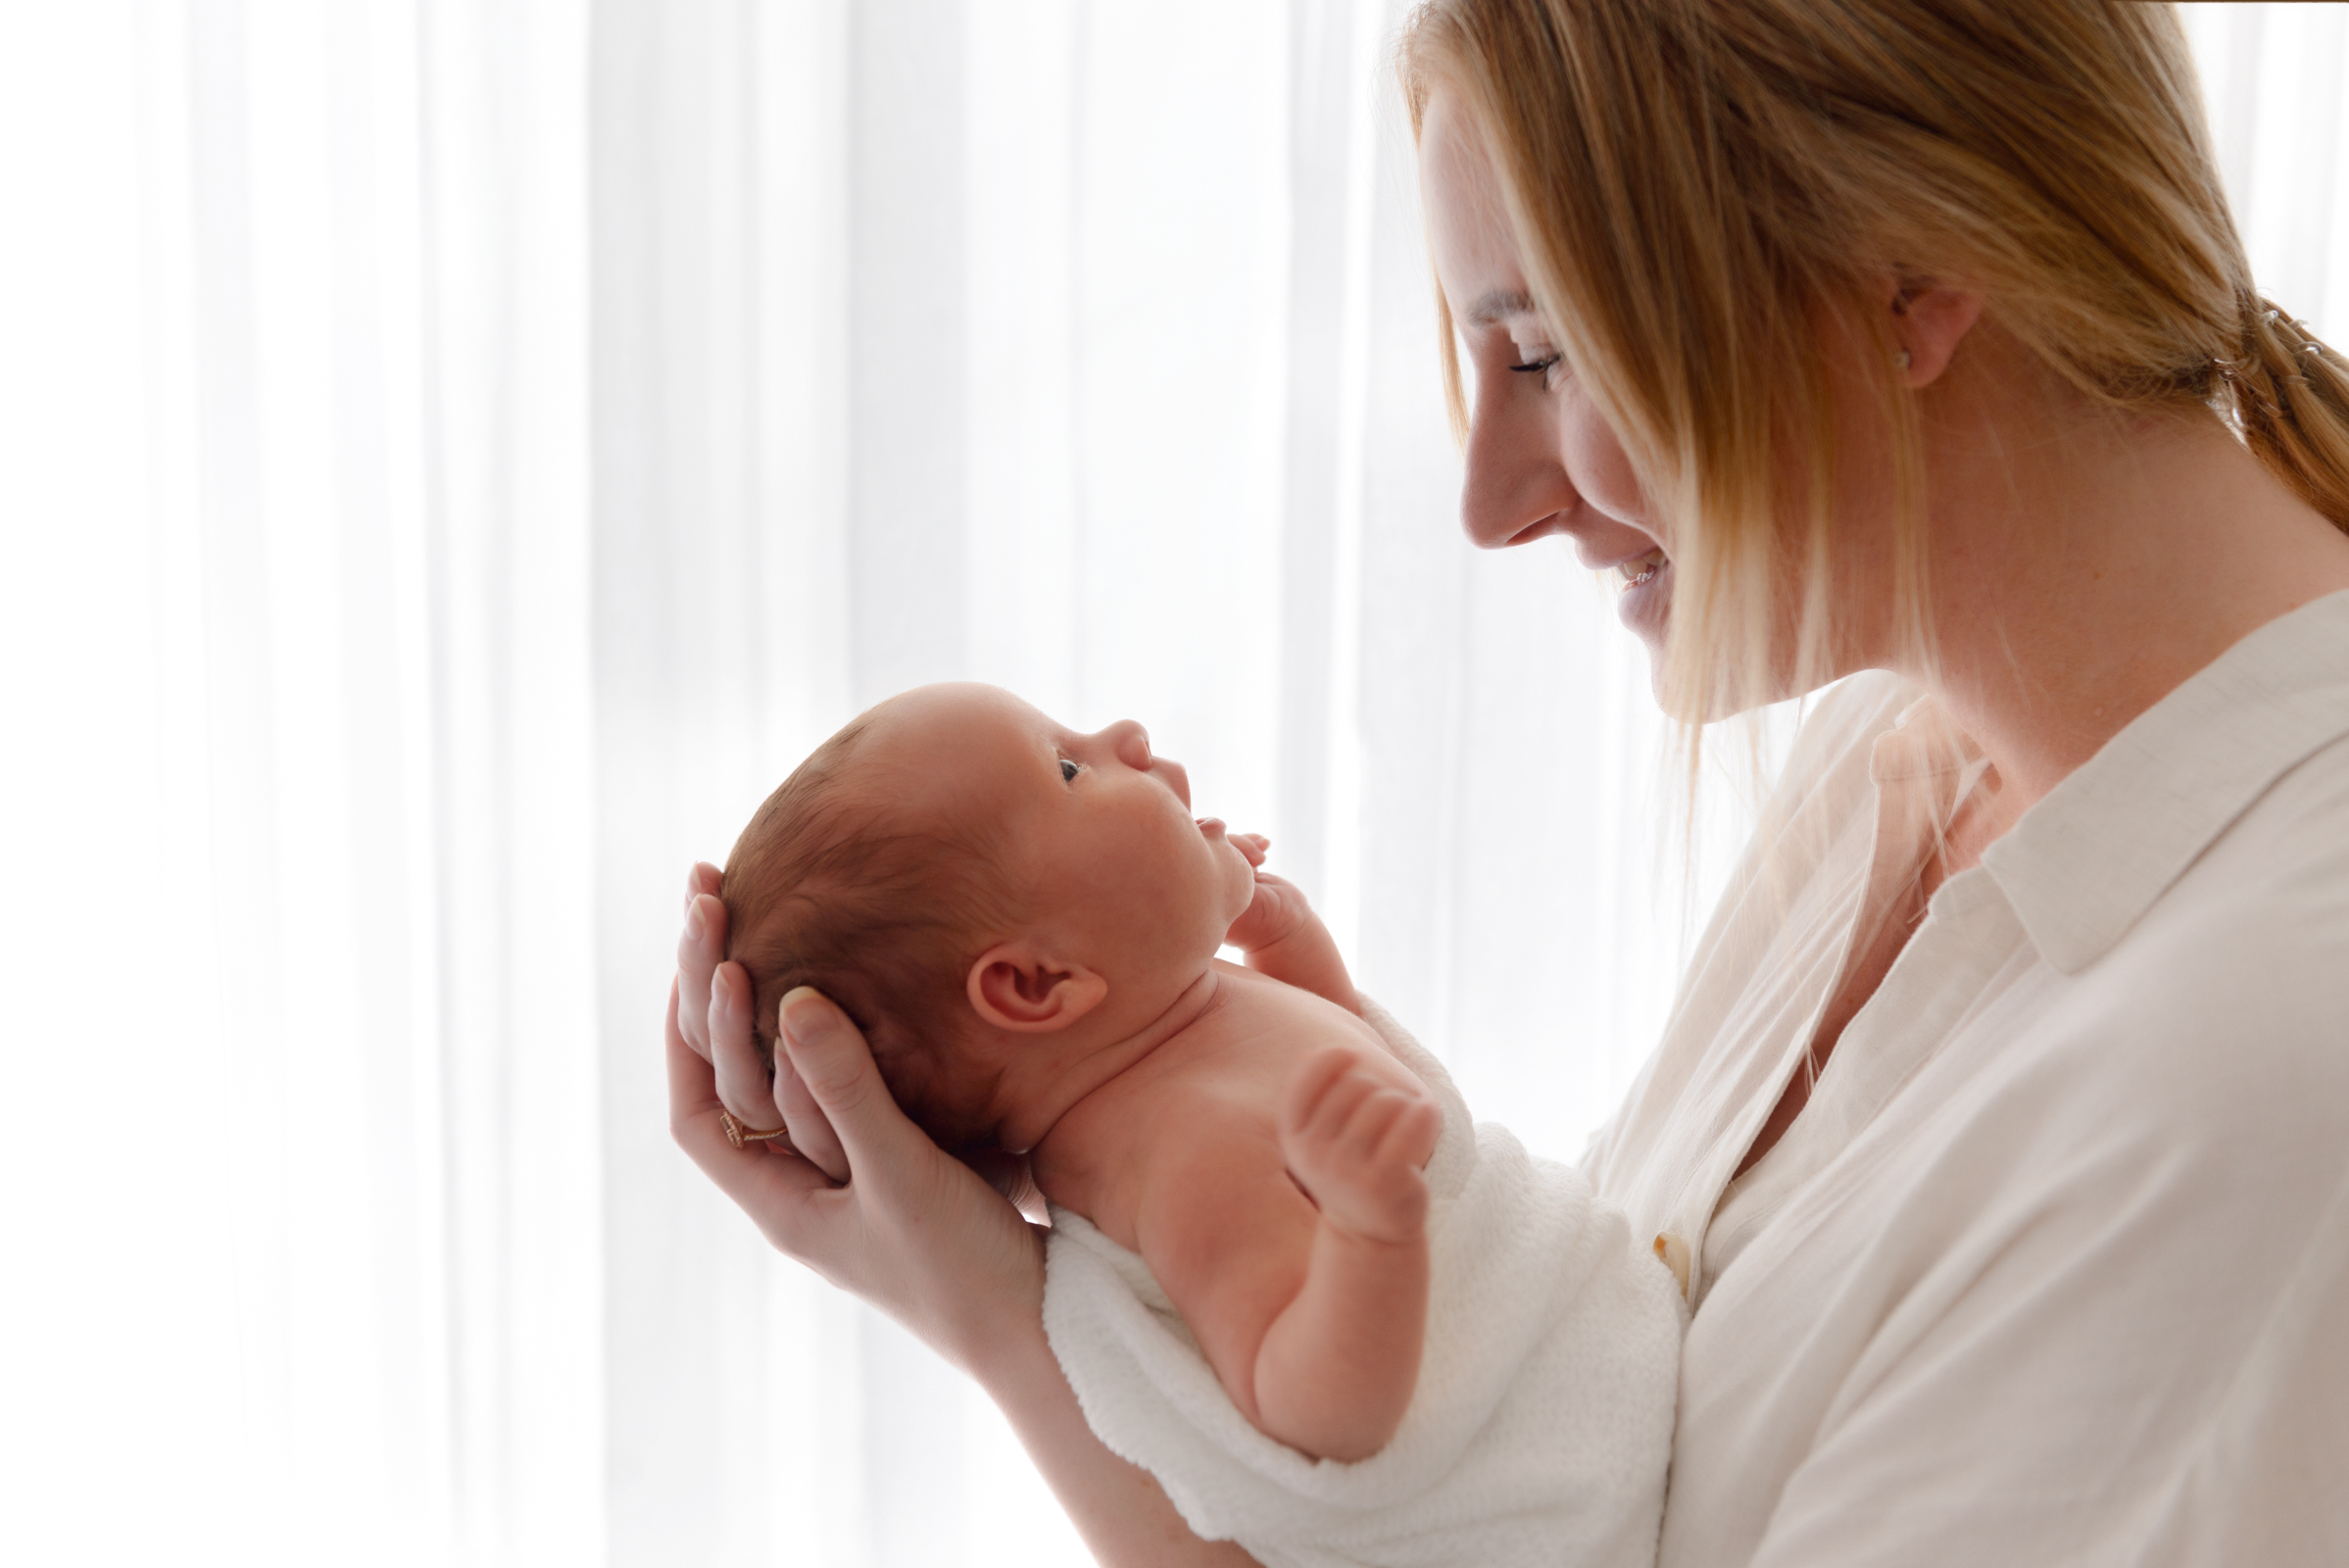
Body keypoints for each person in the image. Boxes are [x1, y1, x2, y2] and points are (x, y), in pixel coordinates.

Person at [668, 2, 2349, 1562]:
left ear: (1910, 276)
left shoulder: (2261, 1059)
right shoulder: (1894, 765)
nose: (1488, 501)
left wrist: (1009, 1329)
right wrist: (997, 1283)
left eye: (1540, 355)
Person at [714, 682, 1679, 1565]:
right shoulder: (1181, 1157)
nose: (1124, 734)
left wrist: (1301, 961)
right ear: (1037, 983)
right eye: (1068, 767)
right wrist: (1370, 1229)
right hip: (1544, 1491)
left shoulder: (1179, 1036)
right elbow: (1317, 1409)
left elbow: (1360, 1086)